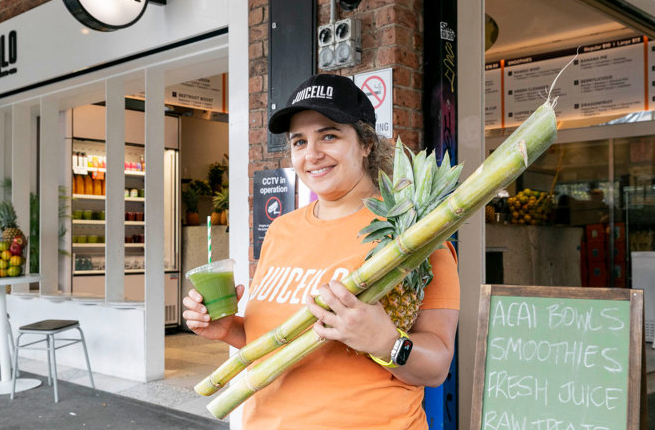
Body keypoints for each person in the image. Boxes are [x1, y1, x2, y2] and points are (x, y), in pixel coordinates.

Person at [182, 74, 460, 429]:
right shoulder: (282, 230)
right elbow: (271, 337)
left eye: (329, 135)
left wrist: (385, 341)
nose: (312, 154)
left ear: (366, 144)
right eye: (299, 141)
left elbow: (436, 366)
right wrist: (228, 329)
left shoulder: (412, 236)